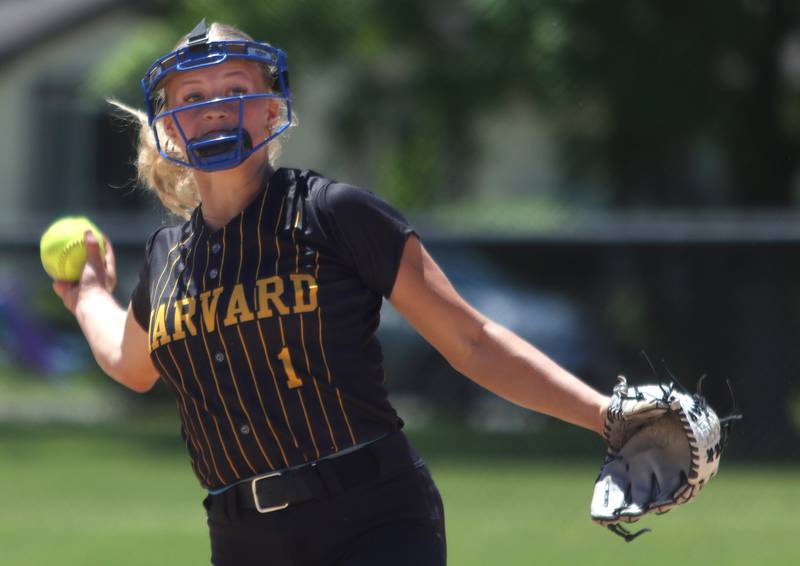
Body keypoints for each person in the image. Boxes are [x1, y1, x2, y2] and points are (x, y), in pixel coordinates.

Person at [53, 20, 610, 566]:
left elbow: (471, 340)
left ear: (273, 110)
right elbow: (132, 364)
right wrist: (89, 296)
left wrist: (607, 417)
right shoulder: (167, 258)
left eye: (236, 90)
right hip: (241, 538)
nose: (216, 106)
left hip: (371, 519)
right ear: (171, 127)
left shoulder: (331, 213)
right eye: (194, 95)